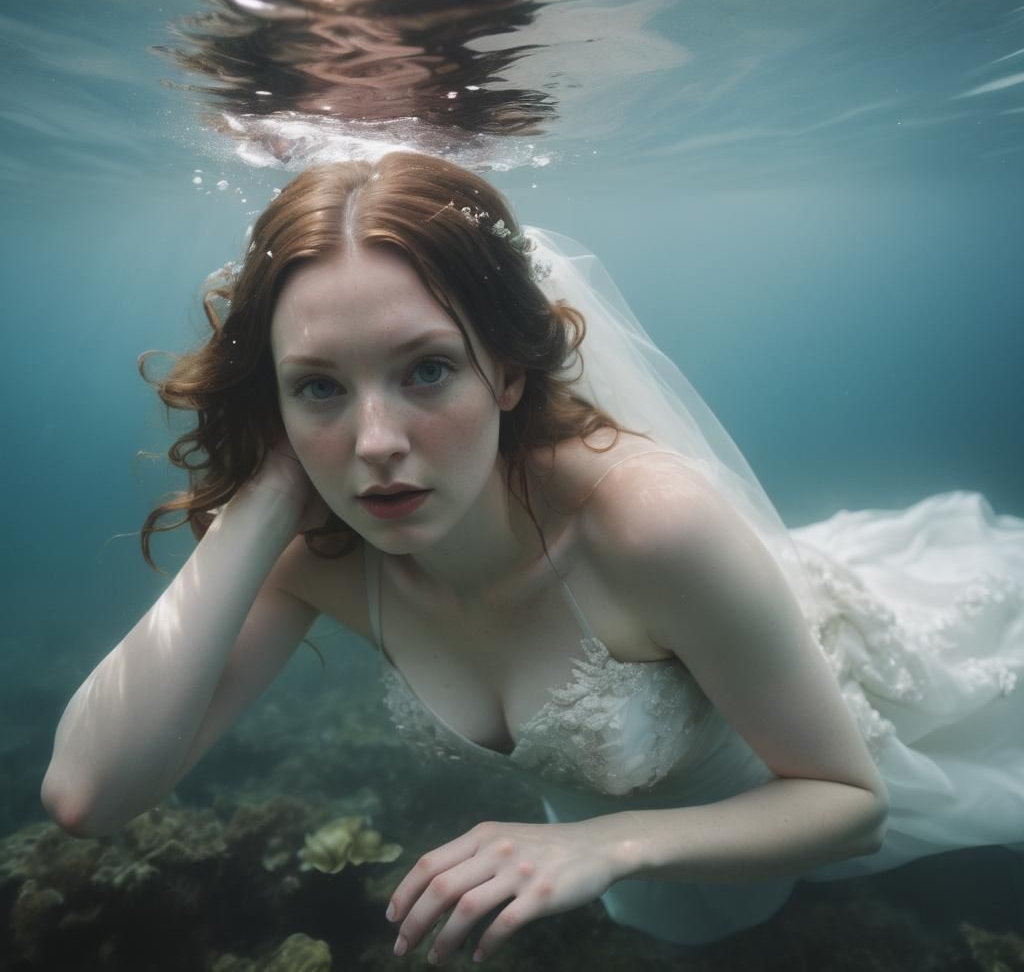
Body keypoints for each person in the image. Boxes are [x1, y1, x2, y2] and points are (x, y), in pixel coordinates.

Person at [42, 152, 1023, 963]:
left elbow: (851, 803)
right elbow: (87, 793)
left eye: (428, 369)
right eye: (320, 386)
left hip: (838, 717)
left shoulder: (649, 527)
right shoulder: (322, 547)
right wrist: (262, 501)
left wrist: (603, 844)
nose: (376, 442)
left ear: (507, 372)